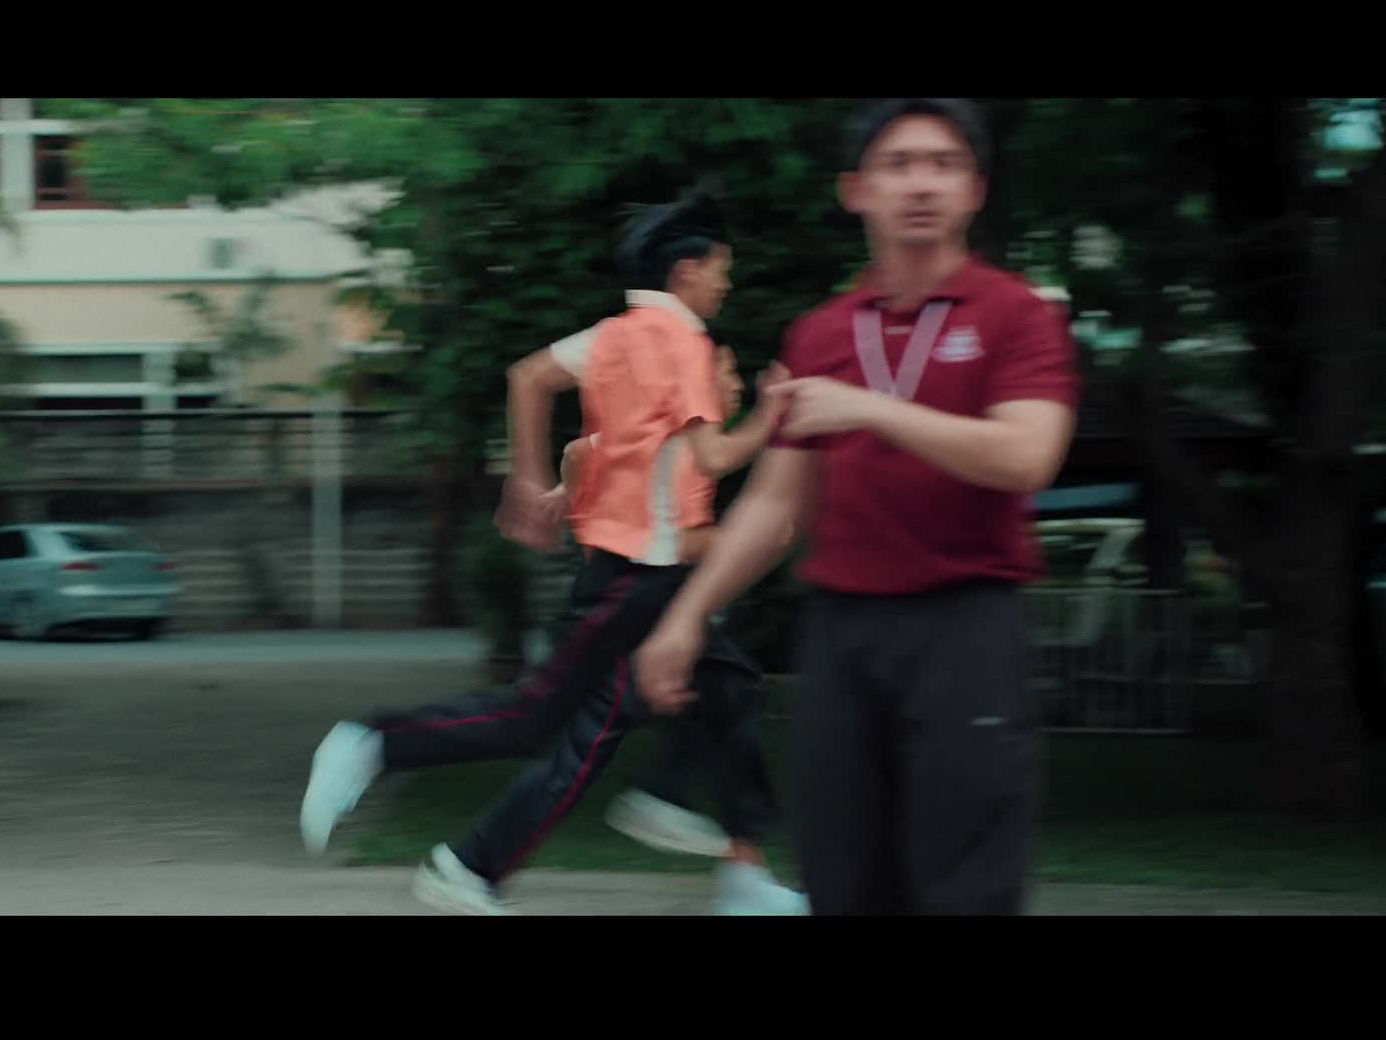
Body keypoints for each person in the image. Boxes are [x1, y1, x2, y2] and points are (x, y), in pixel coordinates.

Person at [633, 99, 1082, 916]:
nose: (922, 184)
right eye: (898, 164)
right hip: (843, 634)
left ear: (975, 189)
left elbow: (1026, 455)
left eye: (944, 164)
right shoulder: (822, 334)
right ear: (857, 190)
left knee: (964, 886)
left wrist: (871, 410)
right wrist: (687, 617)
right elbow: (776, 504)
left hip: (965, 627)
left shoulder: (1017, 313)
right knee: (841, 878)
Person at [300, 188, 797, 914]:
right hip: (637, 582)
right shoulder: (684, 342)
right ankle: (374, 742)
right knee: (534, 718)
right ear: (687, 271)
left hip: (643, 580)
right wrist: (772, 420)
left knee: (728, 690)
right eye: (722, 268)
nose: (727, 283)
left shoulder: (617, 335)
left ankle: (679, 838)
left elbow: (534, 385)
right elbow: (715, 455)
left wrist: (531, 484)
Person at [540, 356, 806, 915]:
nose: (734, 382)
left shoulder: (671, 443)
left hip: (633, 604)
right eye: (725, 372)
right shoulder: (681, 445)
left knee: (727, 699)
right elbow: (679, 541)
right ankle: (670, 804)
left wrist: (572, 496)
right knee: (728, 691)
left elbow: (579, 453)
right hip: (634, 605)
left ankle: (735, 863)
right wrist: (744, 542)